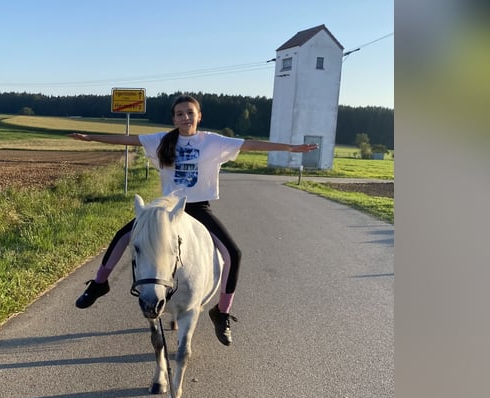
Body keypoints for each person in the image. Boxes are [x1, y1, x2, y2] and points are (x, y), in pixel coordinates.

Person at [69, 94, 317, 346]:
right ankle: (99, 284)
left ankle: (221, 312)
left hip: (198, 208)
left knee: (233, 254)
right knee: (123, 235)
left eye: (190, 112)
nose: (185, 117)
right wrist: (90, 137)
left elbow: (251, 144)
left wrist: (289, 148)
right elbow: (128, 139)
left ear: (199, 116)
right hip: (167, 210)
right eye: (179, 114)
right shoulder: (161, 140)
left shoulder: (213, 141)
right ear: (174, 118)